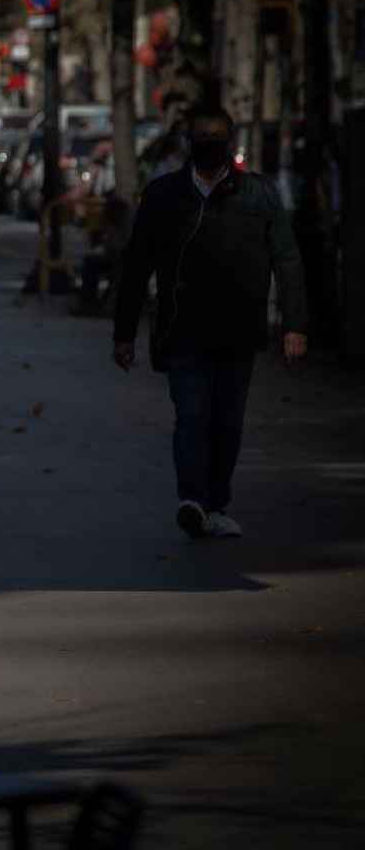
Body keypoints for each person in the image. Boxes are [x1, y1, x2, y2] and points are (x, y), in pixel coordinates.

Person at [112, 105, 307, 540]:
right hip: (184, 329)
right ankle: (193, 500)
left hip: (239, 330)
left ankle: (216, 502)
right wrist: (123, 334)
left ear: (230, 142)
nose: (209, 146)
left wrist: (295, 324)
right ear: (189, 144)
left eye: (216, 138)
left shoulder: (258, 195)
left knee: (227, 422)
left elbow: (287, 259)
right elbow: (137, 264)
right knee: (192, 415)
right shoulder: (164, 195)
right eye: (202, 138)